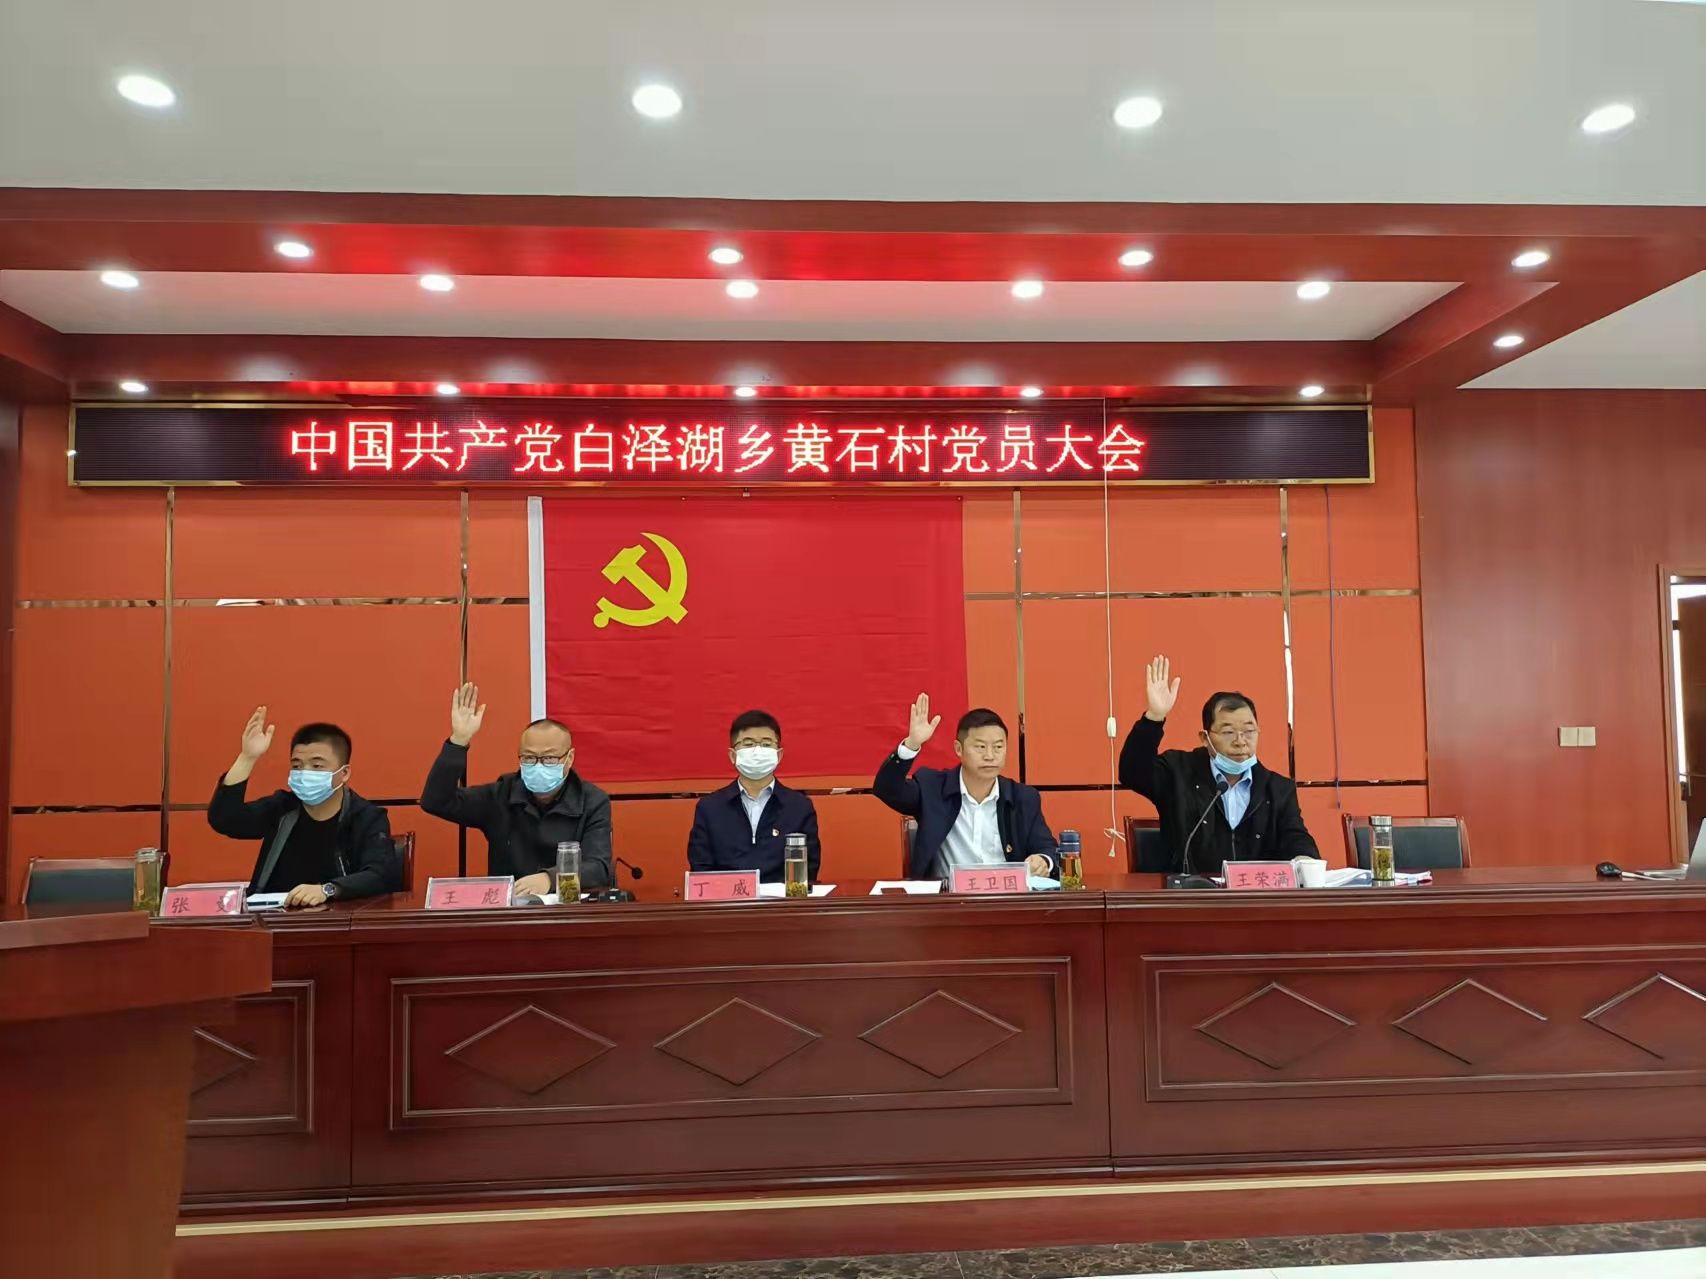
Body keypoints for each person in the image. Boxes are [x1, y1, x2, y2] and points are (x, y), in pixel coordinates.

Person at [1118, 655, 1319, 874]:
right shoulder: (1179, 772)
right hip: (1192, 893)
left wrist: (1305, 860)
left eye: (1249, 731)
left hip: (1256, 893)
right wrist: (1154, 717)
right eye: (1228, 732)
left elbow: (1296, 836)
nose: (1241, 741)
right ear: (1205, 738)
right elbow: (1132, 772)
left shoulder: (1278, 789)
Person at [420, 683, 613, 895]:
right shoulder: (501, 795)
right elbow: (436, 802)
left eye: (549, 758)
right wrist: (458, 742)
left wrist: (550, 879)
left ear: (569, 758)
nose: (538, 765)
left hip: (566, 907)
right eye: (529, 758)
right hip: (511, 908)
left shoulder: (592, 801)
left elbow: (598, 867)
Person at [207, 708, 398, 907]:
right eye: (297, 766)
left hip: (337, 918)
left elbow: (381, 875)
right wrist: (247, 758)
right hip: (272, 917)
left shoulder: (366, 817)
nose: (305, 773)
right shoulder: (282, 807)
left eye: (317, 766)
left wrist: (328, 890)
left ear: (344, 773)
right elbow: (225, 819)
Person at [874, 693, 1059, 880]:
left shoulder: (1023, 798)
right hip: (948, 896)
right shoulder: (932, 788)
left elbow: (1048, 849)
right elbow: (886, 789)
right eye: (980, 747)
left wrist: (1043, 860)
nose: (990, 756)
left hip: (1006, 894)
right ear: (958, 749)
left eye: (998, 747)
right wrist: (912, 745)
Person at [687, 710, 821, 881]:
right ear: (733, 755)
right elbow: (701, 870)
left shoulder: (799, 807)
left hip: (781, 898)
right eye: (748, 744)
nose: (757, 751)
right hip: (726, 897)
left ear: (779, 755)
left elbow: (807, 871)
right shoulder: (710, 808)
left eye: (766, 744)